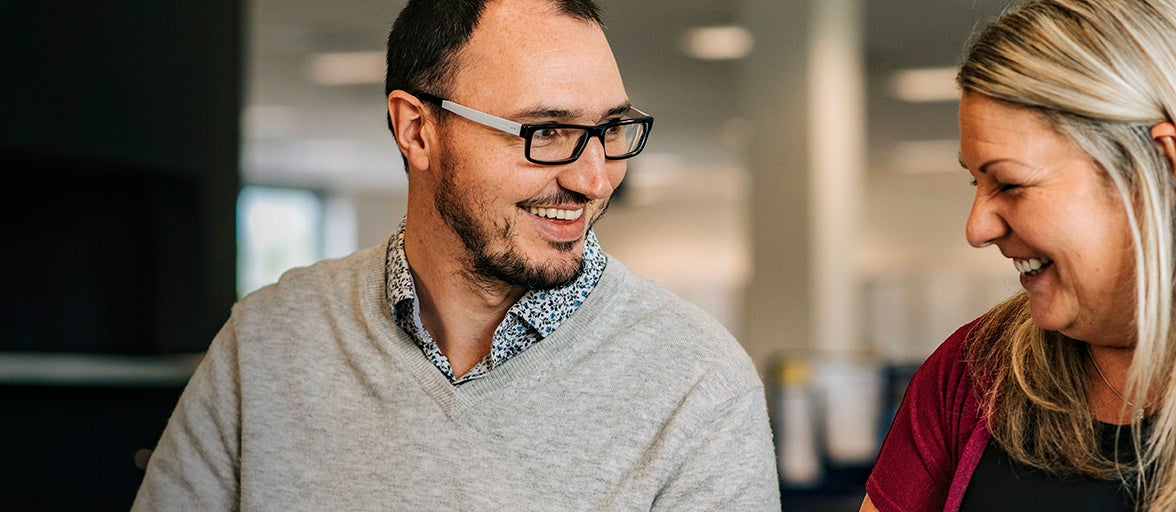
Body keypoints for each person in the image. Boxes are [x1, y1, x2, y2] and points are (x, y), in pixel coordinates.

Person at [132, 0, 781, 510]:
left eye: (609, 130)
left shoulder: (696, 381)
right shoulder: (270, 339)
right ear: (417, 130)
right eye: (545, 131)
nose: (594, 179)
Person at [860, 1, 1176, 511]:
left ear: (1160, 168)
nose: (976, 228)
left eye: (1009, 182)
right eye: (976, 180)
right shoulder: (973, 372)